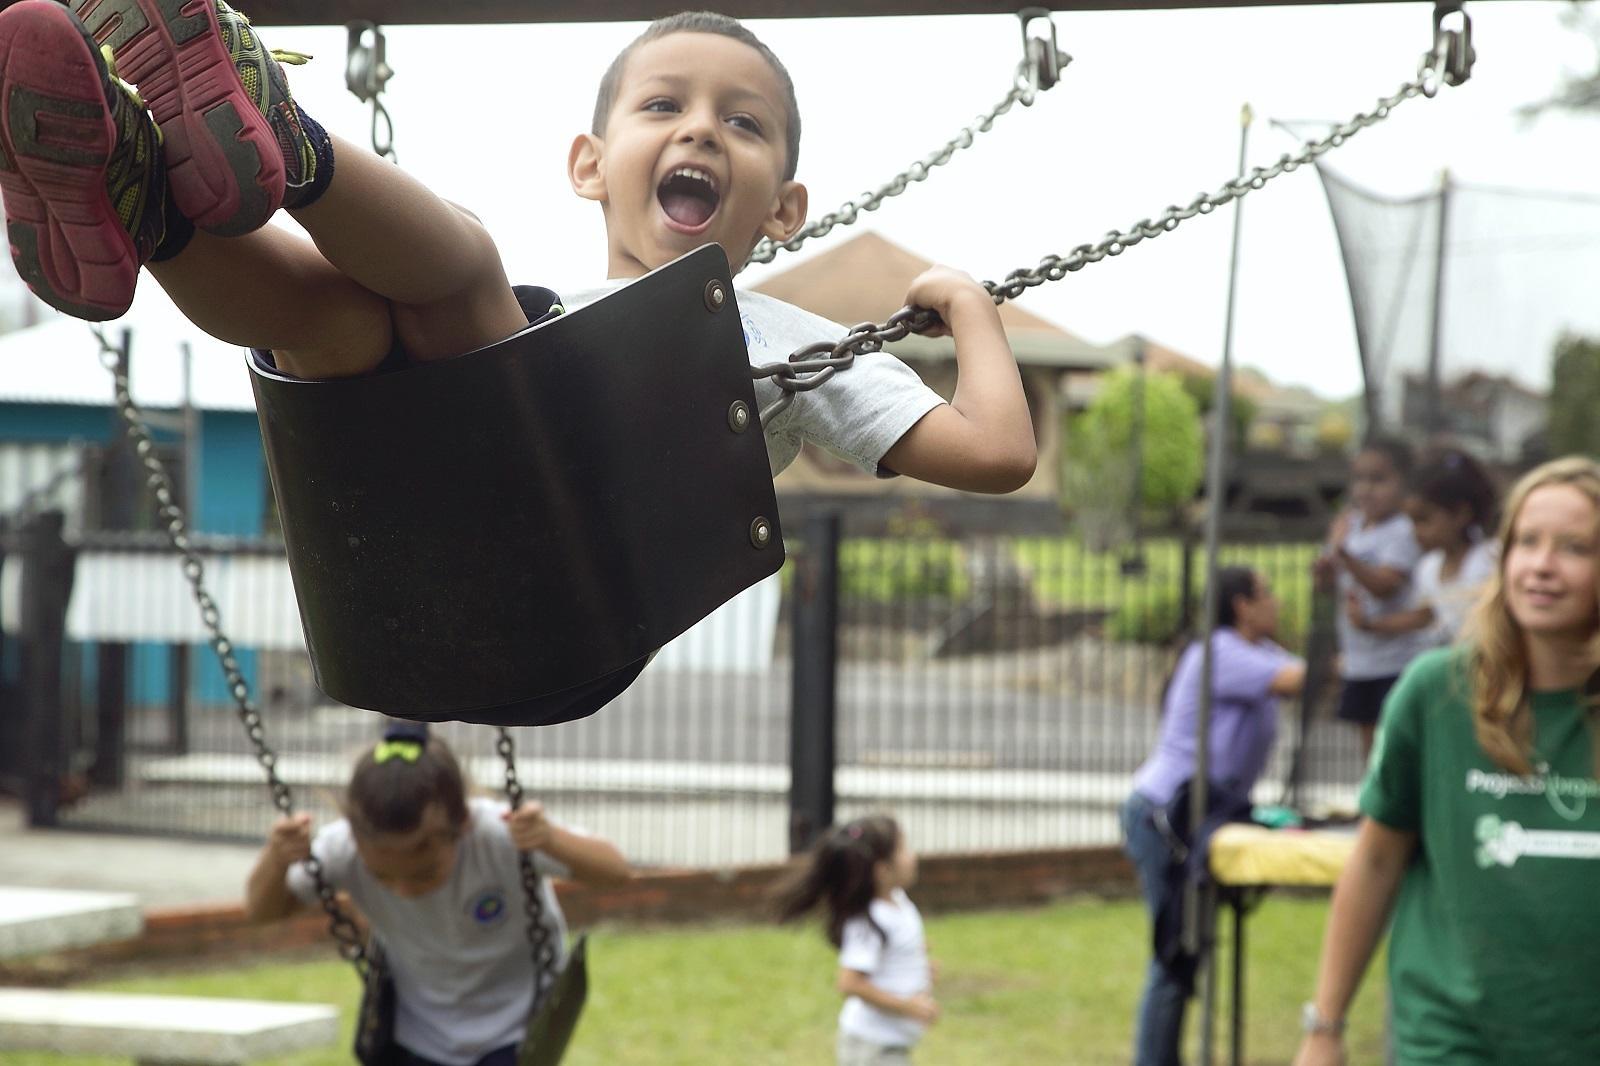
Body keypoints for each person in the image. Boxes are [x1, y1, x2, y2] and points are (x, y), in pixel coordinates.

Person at [1, 2, 1037, 496]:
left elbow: (994, 454)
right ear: (589, 164)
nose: (701, 130)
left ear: (785, 206)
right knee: (340, 314)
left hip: (530, 501)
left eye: (744, 124)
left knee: (459, 272)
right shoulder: (563, 305)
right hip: (407, 458)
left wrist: (966, 305)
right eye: (665, 105)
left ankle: (271, 131)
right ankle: (141, 187)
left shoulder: (787, 343)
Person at [1293, 456, 1600, 1066]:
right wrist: (1323, 1028)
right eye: (1527, 542)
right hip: (1450, 1041)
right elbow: (1376, 860)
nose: (1542, 565)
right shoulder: (1436, 693)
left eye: (1574, 548)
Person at [244, 724, 631, 1066]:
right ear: (354, 834)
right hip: (418, 1032)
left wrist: (549, 838)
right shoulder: (342, 848)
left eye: (424, 872)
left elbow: (616, 871)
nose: (403, 889)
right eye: (382, 875)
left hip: (511, 1028)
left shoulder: (496, 835)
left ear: (462, 823)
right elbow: (262, 912)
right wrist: (276, 860)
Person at [1123, 566, 1306, 1066]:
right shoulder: (1219, 652)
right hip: (1165, 816)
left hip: (1199, 814)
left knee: (1190, 951)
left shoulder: (1258, 654)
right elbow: (1304, 679)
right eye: (1268, 593)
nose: (1277, 603)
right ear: (1242, 605)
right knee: (1174, 956)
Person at [774, 816, 936, 1065]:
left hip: (891, 1043)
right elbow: (850, 983)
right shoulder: (868, 922)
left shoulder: (898, 900)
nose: (913, 856)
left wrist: (916, 959)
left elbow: (893, 948)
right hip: (872, 1048)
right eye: (904, 849)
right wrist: (908, 1007)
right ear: (883, 871)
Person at [1314, 437, 1427, 762]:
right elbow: (1326, 584)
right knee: (1369, 749)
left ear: (1404, 482)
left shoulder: (1403, 530)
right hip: (1359, 659)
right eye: (1359, 479)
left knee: (1395, 746)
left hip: (1396, 660)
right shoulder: (1352, 527)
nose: (1365, 490)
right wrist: (1324, 570)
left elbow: (1386, 585)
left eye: (1378, 480)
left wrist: (1343, 554)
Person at [1345, 447, 1498, 648]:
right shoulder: (1429, 568)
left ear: (1460, 514)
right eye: (1411, 521)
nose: (1415, 531)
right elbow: (1425, 616)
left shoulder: (1489, 561)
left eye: (1423, 520)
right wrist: (1370, 625)